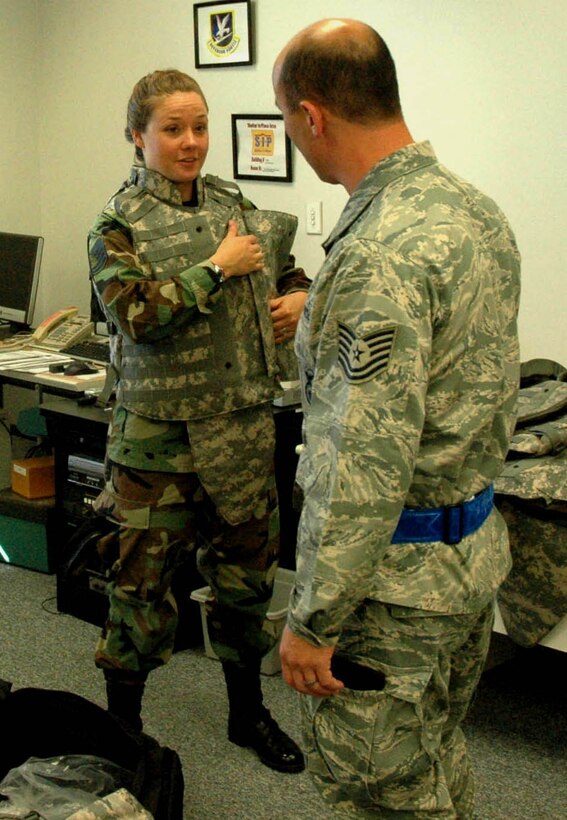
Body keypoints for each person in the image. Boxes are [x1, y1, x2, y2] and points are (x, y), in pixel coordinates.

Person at [272, 18, 521, 816]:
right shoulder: (469, 209)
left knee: (380, 794)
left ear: (311, 117)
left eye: (286, 122)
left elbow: (359, 462)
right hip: (466, 563)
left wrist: (312, 619)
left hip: (388, 595)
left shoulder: (378, 250)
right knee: (436, 757)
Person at [87, 68, 309, 774]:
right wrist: (215, 268)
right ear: (137, 135)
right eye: (173, 129)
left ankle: (247, 713)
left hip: (241, 431)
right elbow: (136, 316)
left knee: (245, 585)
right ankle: (124, 736)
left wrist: (296, 299)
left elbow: (287, 268)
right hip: (158, 443)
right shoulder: (116, 224)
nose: (191, 143)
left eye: (200, 127)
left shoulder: (232, 205)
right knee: (140, 594)